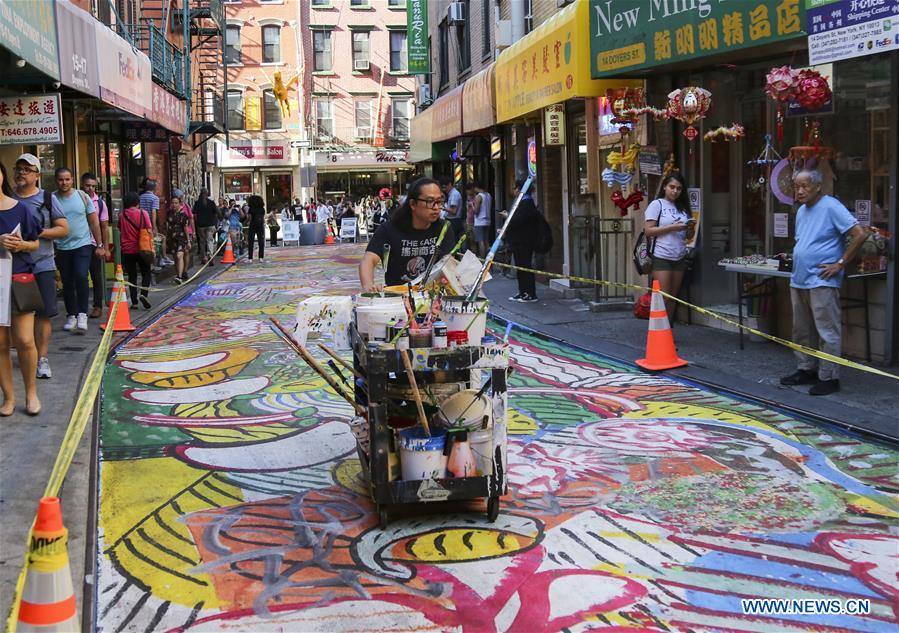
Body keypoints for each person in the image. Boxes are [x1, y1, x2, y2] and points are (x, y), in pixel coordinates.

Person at [780, 169, 868, 396]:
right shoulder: (801, 211)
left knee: (826, 331)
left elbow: (860, 234)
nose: (799, 191)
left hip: (821, 280)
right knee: (801, 330)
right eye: (796, 186)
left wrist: (840, 263)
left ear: (818, 186)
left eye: (804, 186)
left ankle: (829, 376)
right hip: (799, 278)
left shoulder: (831, 206)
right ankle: (806, 368)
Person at [13, 154, 68, 380]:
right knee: (16, 313)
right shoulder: (6, 198)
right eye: (18, 168)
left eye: (27, 169)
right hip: (14, 265)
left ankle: (42, 358)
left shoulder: (46, 198)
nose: (21, 173)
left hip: (42, 263)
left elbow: (64, 229)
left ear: (37, 175)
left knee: (43, 313)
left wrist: (38, 232)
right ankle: (25, 352)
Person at [0, 162, 43, 415]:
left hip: (19, 278)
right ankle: (9, 398)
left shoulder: (21, 208)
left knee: (25, 340)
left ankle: (31, 394)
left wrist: (21, 246)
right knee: (1, 343)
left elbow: (36, 243)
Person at [360, 177, 455, 290]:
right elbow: (368, 260)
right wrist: (369, 286)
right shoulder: (389, 228)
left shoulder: (444, 229)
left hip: (431, 295)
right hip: (398, 295)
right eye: (430, 201)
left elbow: (449, 264)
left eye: (439, 202)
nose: (436, 208)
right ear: (413, 204)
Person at [54, 167, 105, 334]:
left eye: (67, 179)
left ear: (72, 180)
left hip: (83, 245)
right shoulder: (52, 198)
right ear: (56, 181)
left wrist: (99, 245)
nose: (64, 182)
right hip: (61, 246)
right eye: (61, 179)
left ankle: (82, 313)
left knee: (81, 275)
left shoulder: (82, 197)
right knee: (67, 281)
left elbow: (94, 222)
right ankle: (72, 315)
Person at [643, 172, 694, 322]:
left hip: (679, 255)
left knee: (673, 296)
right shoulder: (657, 204)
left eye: (679, 188)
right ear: (664, 186)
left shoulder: (683, 208)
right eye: (672, 187)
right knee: (664, 296)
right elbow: (648, 230)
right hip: (661, 256)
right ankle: (656, 332)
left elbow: (688, 236)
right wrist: (672, 228)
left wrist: (689, 228)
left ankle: (667, 331)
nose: (675, 191)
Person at [500, 178, 541, 303]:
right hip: (519, 240)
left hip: (524, 240)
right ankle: (522, 291)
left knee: (525, 266)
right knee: (520, 266)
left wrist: (507, 216)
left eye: (515, 188)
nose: (514, 190)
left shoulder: (527, 203)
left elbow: (519, 221)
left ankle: (530, 293)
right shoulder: (521, 202)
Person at [81, 173, 109, 319]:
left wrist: (105, 247)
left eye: (93, 186)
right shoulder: (76, 199)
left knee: (96, 276)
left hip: (94, 244)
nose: (90, 189)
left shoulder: (100, 203)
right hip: (79, 244)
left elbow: (104, 226)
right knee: (80, 277)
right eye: (87, 185)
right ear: (82, 185)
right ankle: (81, 309)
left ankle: (97, 306)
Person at [119, 192, 153, 309]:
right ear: (138, 202)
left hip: (127, 250)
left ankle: (134, 302)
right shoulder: (143, 214)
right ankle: (143, 294)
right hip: (142, 249)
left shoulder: (122, 215)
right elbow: (149, 230)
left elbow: (120, 228)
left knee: (132, 275)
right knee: (146, 273)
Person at [166, 194, 192, 284]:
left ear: (179, 203)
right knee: (175, 258)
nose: (174, 205)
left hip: (181, 238)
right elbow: (167, 226)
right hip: (172, 238)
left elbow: (185, 228)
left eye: (176, 203)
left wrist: (188, 241)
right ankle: (178, 274)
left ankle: (179, 276)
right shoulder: (169, 213)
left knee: (179, 255)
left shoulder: (183, 214)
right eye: (173, 203)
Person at [193, 189, 219, 265]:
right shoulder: (211, 203)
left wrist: (197, 222)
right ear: (207, 194)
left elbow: (194, 215)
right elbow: (216, 213)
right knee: (209, 240)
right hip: (210, 224)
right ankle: (210, 256)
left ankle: (204, 257)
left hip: (201, 225)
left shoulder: (197, 203)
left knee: (202, 241)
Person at [471, 182, 492, 259]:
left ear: (477, 187)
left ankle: (482, 259)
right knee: (486, 241)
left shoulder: (479, 196)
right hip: (488, 221)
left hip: (479, 221)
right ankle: (488, 258)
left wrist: (472, 205)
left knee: (481, 241)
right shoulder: (488, 195)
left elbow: (476, 211)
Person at [440, 177, 464, 242]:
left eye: (445, 187)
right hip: (452, 220)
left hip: (453, 221)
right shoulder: (451, 194)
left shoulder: (454, 194)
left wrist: (443, 208)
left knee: (452, 240)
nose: (444, 190)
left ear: (450, 184)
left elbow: (453, 211)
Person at [246, 193, 266, 262]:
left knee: (251, 242)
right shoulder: (262, 209)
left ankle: (250, 258)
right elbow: (263, 218)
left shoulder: (251, 209)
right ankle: (261, 257)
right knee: (261, 242)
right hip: (260, 226)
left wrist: (247, 220)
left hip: (252, 225)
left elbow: (249, 218)